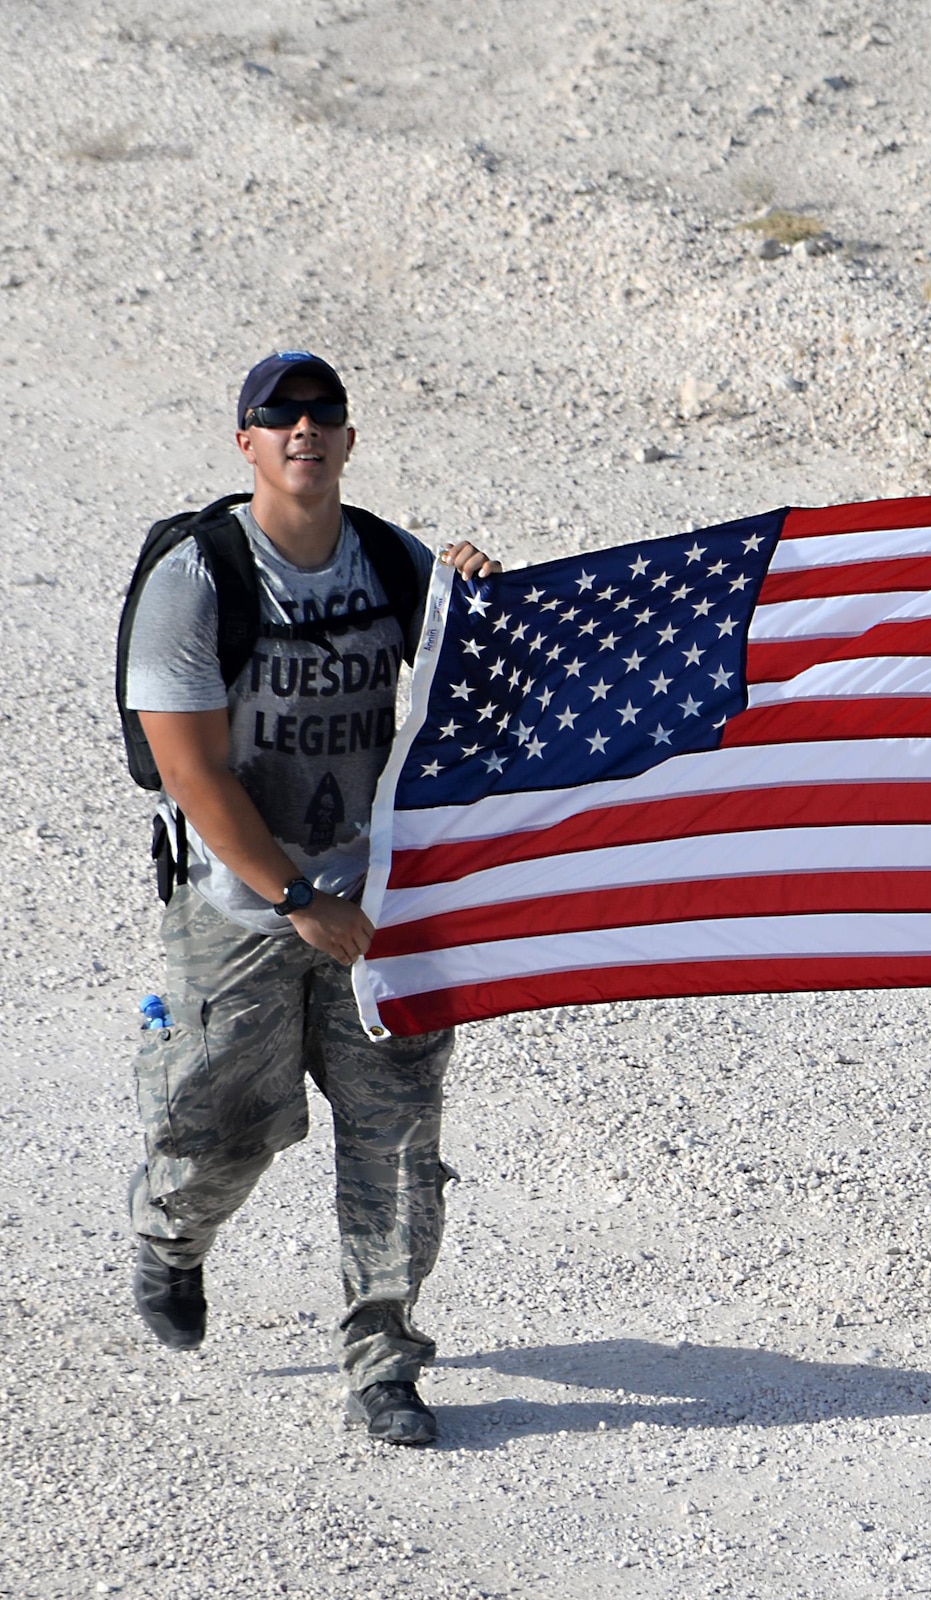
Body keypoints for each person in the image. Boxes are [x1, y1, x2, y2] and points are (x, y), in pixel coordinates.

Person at [122, 350, 497, 1444]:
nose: (303, 431)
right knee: (225, 1123)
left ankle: (383, 1357)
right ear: (245, 442)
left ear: (346, 437)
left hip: (378, 909)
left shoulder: (391, 560)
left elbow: (476, 678)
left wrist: (478, 589)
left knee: (396, 1138)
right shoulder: (197, 579)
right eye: (277, 417)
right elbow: (192, 770)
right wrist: (294, 894)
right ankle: (169, 1238)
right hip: (238, 908)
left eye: (322, 414)